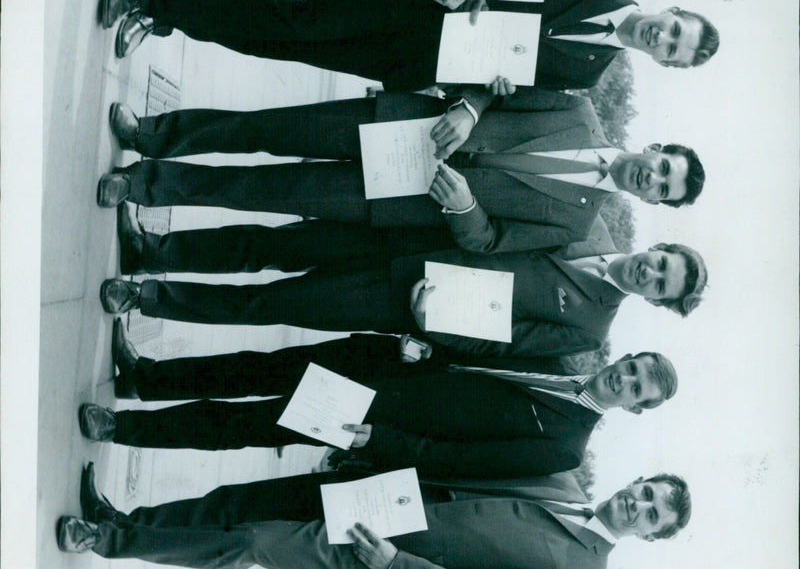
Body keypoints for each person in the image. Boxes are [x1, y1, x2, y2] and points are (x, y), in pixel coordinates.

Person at [96, 91, 706, 256]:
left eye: (660, 189)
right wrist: (469, 109)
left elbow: (490, 242)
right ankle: (150, 134)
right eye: (662, 168)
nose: (650, 179)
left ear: (652, 203)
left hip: (401, 196)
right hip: (401, 124)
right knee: (264, 128)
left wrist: (465, 207)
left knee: (266, 191)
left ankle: (144, 185)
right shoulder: (576, 108)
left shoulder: (576, 225)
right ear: (654, 148)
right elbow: (500, 84)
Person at [56, 468, 692, 569]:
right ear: (637, 482)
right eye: (647, 491)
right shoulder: (563, 483)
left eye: (651, 514)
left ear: (651, 535)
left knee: (253, 541)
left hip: (381, 557)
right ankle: (122, 520)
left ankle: (104, 539)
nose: (639, 504)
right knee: (241, 507)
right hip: (385, 502)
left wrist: (395, 563)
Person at [78, 334, 677, 482]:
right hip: (388, 363)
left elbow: (464, 462)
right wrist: (423, 344)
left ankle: (120, 429)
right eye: (633, 366)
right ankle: (143, 379)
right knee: (258, 364)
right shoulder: (561, 356)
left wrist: (379, 443)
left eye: (635, 387)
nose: (624, 377)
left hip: (376, 420)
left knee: (246, 424)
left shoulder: (564, 449)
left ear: (635, 408)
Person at [101, 0, 719, 90]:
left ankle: (168, 16)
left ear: (666, 64)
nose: (659, 38)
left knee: (285, 46)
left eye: (671, 51)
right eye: (672, 29)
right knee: (295, 18)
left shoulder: (588, 73)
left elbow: (502, 90)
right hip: (422, 5)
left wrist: (484, 100)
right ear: (673, 9)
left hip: (416, 62)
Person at [97, 239, 708, 357]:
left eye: (659, 285)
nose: (649, 274)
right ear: (656, 246)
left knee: (273, 304)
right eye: (661, 263)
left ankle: (145, 296)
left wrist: (429, 318)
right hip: (402, 231)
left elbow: (502, 341)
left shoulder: (590, 331)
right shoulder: (587, 224)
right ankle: (157, 251)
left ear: (653, 302)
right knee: (268, 243)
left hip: (403, 299)